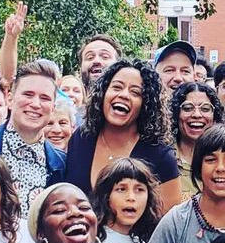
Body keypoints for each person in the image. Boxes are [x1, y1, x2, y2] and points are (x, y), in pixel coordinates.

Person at [64, 58, 182, 210]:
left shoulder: (160, 156)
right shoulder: (82, 138)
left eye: (135, 92)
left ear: (146, 105)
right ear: (103, 93)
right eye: (117, 87)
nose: (124, 95)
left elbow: (168, 226)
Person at [0, 60, 67, 218]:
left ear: (53, 108)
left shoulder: (61, 163)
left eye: (45, 98)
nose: (35, 104)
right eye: (28, 94)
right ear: (10, 99)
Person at [171, 81, 224, 200]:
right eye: (188, 108)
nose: (196, 115)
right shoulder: (164, 158)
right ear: (176, 114)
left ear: (214, 117)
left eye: (205, 109)